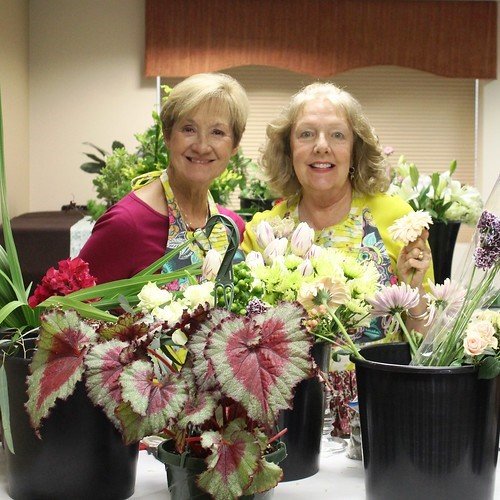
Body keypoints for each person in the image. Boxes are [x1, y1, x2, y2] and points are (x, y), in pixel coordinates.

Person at [241, 82, 434, 442]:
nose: (321, 146)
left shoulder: (397, 219)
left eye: (337, 135)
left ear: (356, 149)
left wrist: (416, 290)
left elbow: (423, 341)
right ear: (288, 148)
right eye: (306, 134)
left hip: (380, 422)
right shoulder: (262, 232)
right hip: (288, 427)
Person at [80, 73, 248, 284]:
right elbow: (65, 311)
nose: (202, 146)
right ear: (167, 135)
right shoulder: (127, 224)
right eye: (189, 129)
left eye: (217, 132)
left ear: (234, 146)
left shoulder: (232, 228)